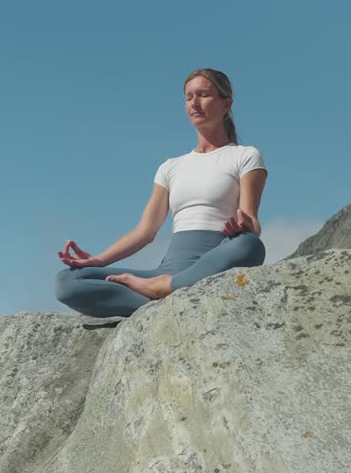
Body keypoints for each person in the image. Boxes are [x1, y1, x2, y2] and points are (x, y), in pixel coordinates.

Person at [54, 68, 267, 318]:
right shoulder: (170, 167)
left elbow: (252, 222)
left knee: (250, 245)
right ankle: (162, 300)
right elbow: (145, 231)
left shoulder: (245, 156)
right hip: (165, 272)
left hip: (217, 259)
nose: (194, 103)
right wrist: (98, 261)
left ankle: (163, 292)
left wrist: (244, 227)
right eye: (189, 97)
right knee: (67, 280)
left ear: (226, 104)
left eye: (203, 95)